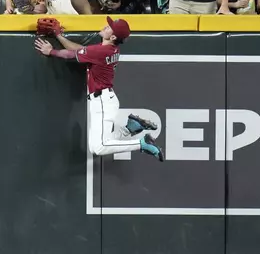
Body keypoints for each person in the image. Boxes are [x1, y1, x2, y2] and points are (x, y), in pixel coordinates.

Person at [34, 16, 164, 161]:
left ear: (113, 36)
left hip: (102, 101)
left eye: (109, 27)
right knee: (99, 144)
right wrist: (58, 35)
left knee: (98, 147)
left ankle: (142, 144)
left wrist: (51, 51)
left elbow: (70, 54)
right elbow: (81, 50)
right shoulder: (109, 49)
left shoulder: (101, 52)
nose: (105, 26)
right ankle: (130, 128)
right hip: (104, 99)